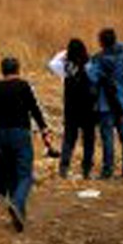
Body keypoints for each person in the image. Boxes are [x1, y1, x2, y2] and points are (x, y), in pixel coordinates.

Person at [0, 56, 48, 231]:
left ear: (2, 70)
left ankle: (19, 214)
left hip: (1, 135)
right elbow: (34, 109)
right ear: (18, 69)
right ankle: (17, 203)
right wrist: (44, 130)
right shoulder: (23, 86)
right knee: (25, 174)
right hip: (20, 133)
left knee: (11, 174)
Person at [88, 28, 123, 180]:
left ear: (101, 42)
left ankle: (108, 170)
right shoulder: (122, 53)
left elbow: (92, 77)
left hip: (105, 103)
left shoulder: (98, 60)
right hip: (122, 100)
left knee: (107, 138)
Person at [49, 39, 97, 181]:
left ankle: (64, 167)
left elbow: (51, 63)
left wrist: (64, 53)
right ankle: (86, 170)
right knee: (88, 139)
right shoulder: (90, 65)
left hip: (71, 108)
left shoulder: (65, 67)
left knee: (69, 138)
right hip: (88, 108)